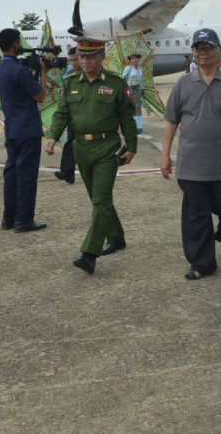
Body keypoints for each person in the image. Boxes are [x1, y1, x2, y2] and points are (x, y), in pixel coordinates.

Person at [160, 28, 221, 280]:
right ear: (193, 53)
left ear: (219, 51)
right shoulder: (183, 84)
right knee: (196, 214)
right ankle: (202, 263)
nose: (204, 53)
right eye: (199, 49)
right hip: (191, 165)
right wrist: (165, 155)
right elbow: (170, 120)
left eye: (209, 48)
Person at [45, 36, 136, 273]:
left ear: (102, 57)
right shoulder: (71, 82)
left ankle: (89, 253)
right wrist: (53, 136)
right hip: (81, 150)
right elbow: (62, 114)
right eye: (82, 56)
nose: (85, 61)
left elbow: (127, 117)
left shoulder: (116, 83)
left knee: (101, 199)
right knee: (99, 200)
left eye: (90, 56)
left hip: (107, 149)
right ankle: (116, 238)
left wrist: (132, 147)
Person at [0, 28, 47, 233]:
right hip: (28, 128)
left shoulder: (0, 68)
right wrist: (43, 72)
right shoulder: (20, 70)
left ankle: (9, 218)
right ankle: (24, 220)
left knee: (12, 174)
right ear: (15, 43)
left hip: (12, 127)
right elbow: (40, 96)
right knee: (26, 175)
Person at [55, 46, 79, 184]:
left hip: (88, 118)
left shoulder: (89, 74)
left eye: (76, 59)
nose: (74, 63)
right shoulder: (68, 75)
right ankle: (67, 173)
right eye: (71, 60)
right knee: (70, 144)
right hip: (72, 115)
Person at [122, 54, 145, 133]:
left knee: (138, 109)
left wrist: (142, 89)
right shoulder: (128, 68)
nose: (135, 60)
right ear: (130, 60)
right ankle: (129, 126)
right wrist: (125, 89)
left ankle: (138, 127)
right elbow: (123, 78)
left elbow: (141, 80)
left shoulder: (139, 69)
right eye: (133, 58)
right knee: (129, 108)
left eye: (136, 58)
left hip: (137, 90)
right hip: (129, 91)